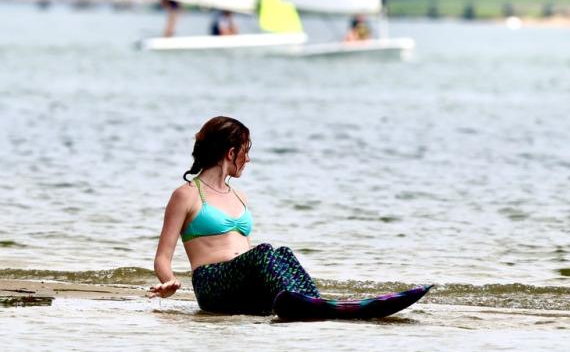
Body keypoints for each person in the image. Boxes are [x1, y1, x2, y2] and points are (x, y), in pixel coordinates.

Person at [149, 116, 429, 319]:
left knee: (282, 252)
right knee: (265, 252)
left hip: (242, 291)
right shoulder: (186, 195)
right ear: (231, 153)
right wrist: (169, 280)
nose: (248, 159)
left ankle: (316, 304)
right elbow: (163, 255)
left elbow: (248, 258)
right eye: (245, 152)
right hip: (212, 286)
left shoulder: (239, 196)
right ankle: (310, 305)